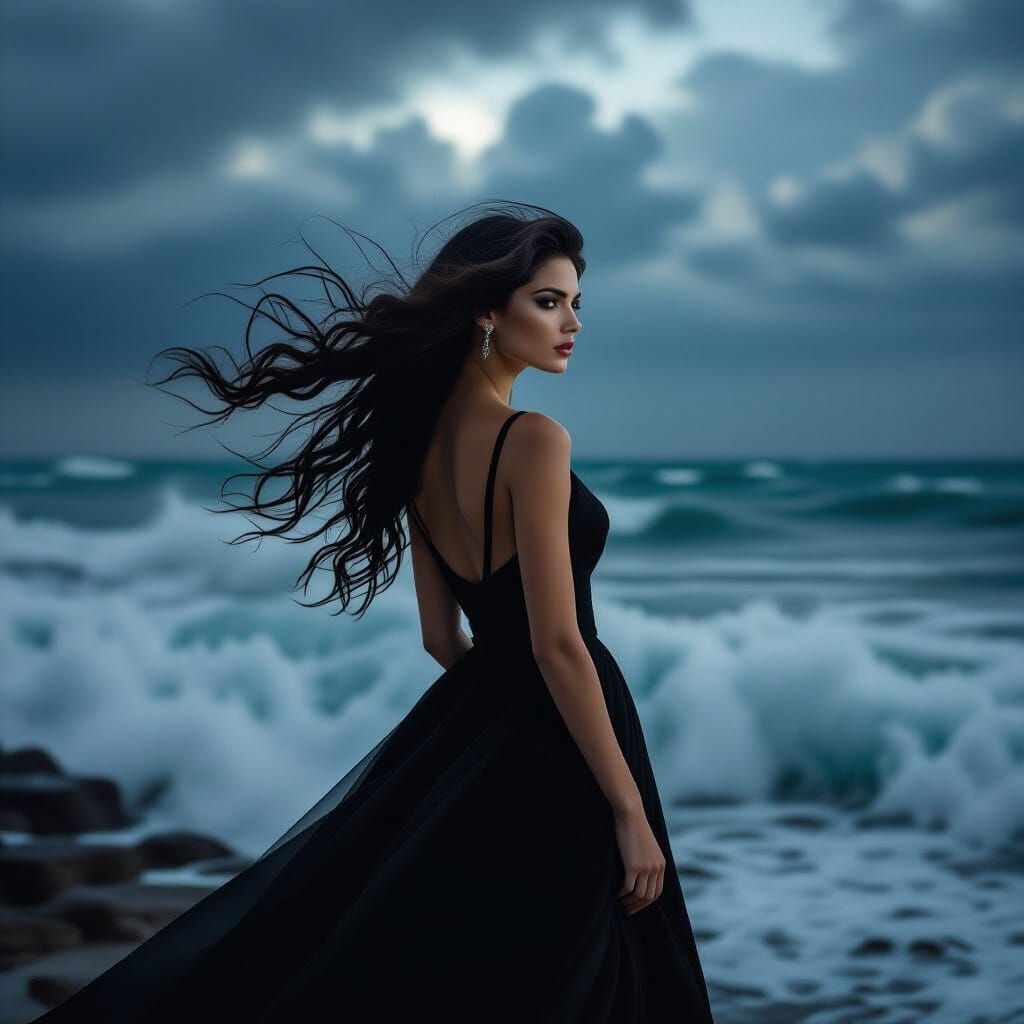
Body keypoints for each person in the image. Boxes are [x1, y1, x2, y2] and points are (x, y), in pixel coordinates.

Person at [32, 201, 715, 1022]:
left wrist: (493, 736)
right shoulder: (535, 439)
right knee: (601, 980)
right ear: (487, 312)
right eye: (549, 301)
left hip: (480, 732)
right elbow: (558, 644)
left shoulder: (413, 445)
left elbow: (440, 638)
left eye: (576, 304)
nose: (572, 323)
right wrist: (628, 809)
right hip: (566, 742)